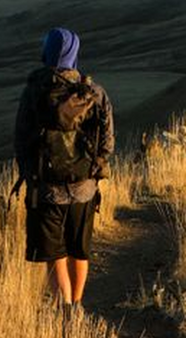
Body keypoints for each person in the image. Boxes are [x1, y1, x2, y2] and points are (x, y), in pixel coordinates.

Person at [13, 27, 115, 315]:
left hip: (46, 190)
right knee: (78, 251)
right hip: (84, 188)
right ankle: (78, 306)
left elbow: (21, 139)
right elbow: (107, 141)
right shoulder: (94, 93)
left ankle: (66, 315)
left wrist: (31, 175)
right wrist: (94, 169)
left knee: (55, 256)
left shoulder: (35, 91)